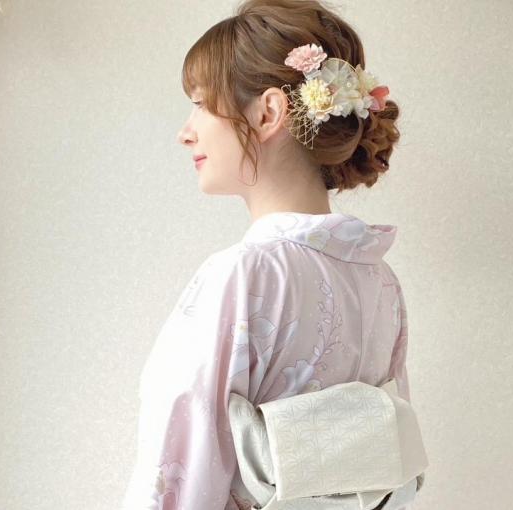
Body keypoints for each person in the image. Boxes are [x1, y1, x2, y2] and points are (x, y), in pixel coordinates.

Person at [122, 1, 420, 509]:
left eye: (201, 104)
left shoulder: (245, 273)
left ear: (268, 113)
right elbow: (392, 467)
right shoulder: (378, 277)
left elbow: (176, 468)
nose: (186, 131)